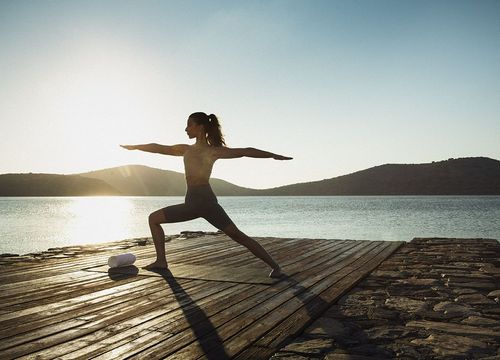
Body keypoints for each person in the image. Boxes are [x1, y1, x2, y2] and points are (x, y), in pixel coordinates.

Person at [120, 112, 292, 277]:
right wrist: (136, 147)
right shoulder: (185, 149)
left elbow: (245, 151)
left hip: (206, 203)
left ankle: (275, 266)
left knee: (237, 236)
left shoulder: (213, 151)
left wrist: (272, 155)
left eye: (189, 125)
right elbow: (159, 148)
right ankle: (161, 261)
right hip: (192, 202)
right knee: (154, 219)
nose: (186, 129)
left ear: (200, 127)